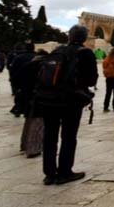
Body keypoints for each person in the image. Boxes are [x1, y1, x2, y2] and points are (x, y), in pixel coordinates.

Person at [34, 25, 97, 185]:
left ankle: (49, 174)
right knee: (68, 136)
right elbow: (91, 80)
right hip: (70, 100)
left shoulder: (58, 51)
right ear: (84, 38)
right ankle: (64, 172)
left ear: (69, 36)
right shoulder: (85, 53)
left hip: (49, 100)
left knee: (50, 136)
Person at [9, 43, 36, 116]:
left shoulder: (18, 57)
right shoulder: (37, 57)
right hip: (34, 81)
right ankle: (27, 111)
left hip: (21, 81)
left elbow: (12, 70)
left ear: (25, 48)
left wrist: (13, 80)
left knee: (19, 96)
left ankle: (18, 109)